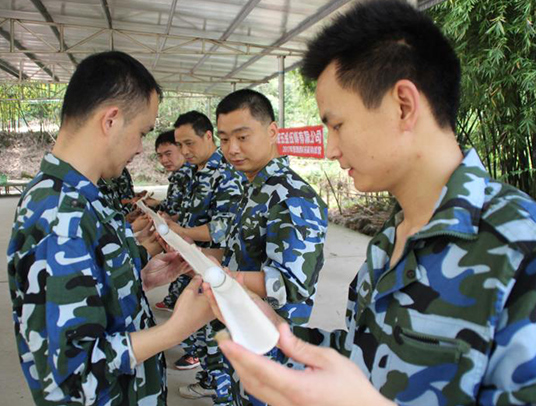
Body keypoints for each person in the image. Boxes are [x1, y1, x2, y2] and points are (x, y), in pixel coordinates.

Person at [206, 1, 536, 405]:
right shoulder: (389, 241)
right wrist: (274, 332)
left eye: (337, 125)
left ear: (403, 106)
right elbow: (363, 359)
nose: (331, 149)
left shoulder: (519, 250)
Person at [6, 51, 213, 406]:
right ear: (111, 120)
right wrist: (175, 329)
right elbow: (73, 375)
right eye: (141, 132)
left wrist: (139, 274)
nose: (140, 148)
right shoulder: (59, 215)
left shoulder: (83, 196)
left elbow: (89, 287)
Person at [206, 88, 328, 405]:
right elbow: (242, 252)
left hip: (273, 345)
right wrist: (200, 258)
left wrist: (223, 279)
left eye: (242, 137)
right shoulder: (255, 187)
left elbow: (290, 285)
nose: (232, 149)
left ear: (272, 131)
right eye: (224, 139)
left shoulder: (291, 196)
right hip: (244, 330)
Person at [157, 111, 245, 396]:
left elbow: (223, 228)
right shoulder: (196, 172)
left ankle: (222, 390)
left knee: (217, 334)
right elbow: (190, 214)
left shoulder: (225, 173)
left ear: (208, 136)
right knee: (201, 331)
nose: (184, 151)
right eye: (180, 145)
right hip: (195, 263)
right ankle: (210, 379)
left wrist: (181, 231)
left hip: (217, 267)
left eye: (189, 143)